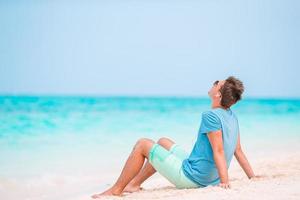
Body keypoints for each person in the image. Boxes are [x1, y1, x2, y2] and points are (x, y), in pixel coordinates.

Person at [92, 76, 257, 198]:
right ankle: (133, 184)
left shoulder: (211, 116)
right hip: (208, 176)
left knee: (142, 144)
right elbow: (238, 150)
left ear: (218, 95)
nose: (213, 83)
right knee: (163, 142)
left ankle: (115, 190)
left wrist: (224, 182)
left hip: (194, 178)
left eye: (216, 83)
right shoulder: (231, 116)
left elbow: (219, 150)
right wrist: (252, 177)